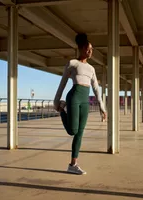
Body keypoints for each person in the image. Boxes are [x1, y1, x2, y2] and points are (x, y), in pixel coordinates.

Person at [53, 33, 107, 175]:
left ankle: (73, 164)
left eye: (92, 49)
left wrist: (102, 107)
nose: (91, 51)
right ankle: (62, 110)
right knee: (72, 131)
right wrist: (56, 101)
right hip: (74, 98)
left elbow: (96, 88)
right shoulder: (72, 64)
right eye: (88, 49)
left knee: (80, 133)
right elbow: (63, 82)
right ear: (82, 48)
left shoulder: (91, 69)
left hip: (85, 101)